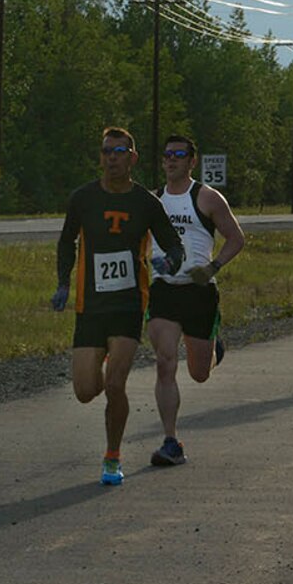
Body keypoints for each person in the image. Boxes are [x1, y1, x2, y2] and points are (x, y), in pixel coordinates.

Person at [53, 127, 186, 486]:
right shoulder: (83, 198)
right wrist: (63, 283)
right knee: (84, 390)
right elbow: (66, 242)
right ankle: (102, 362)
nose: (111, 157)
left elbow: (175, 247)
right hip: (90, 305)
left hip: (128, 304)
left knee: (115, 385)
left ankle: (112, 456)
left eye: (119, 151)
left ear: (133, 158)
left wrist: (168, 263)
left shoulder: (146, 203)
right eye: (106, 151)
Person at [144, 133, 246, 467]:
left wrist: (213, 266)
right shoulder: (152, 199)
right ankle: (171, 441)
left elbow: (236, 238)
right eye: (167, 154)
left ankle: (213, 346)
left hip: (199, 291)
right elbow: (140, 243)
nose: (171, 160)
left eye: (179, 154)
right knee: (164, 361)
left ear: (192, 161)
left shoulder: (207, 198)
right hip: (164, 290)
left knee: (199, 373)